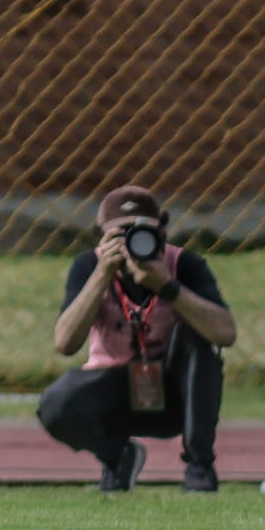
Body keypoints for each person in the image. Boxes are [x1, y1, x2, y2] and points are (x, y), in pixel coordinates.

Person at [37, 185, 238, 493]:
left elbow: (225, 334)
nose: (134, 241)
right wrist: (103, 274)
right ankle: (118, 458)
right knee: (55, 403)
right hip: (114, 388)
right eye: (122, 234)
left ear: (162, 231)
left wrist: (167, 286)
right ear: (102, 236)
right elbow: (65, 343)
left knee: (197, 338)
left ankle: (199, 467)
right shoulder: (89, 267)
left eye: (142, 232)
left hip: (176, 391)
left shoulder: (184, 265)